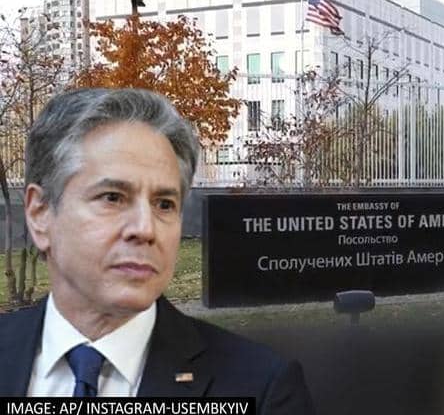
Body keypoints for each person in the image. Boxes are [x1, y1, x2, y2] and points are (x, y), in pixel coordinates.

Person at [0, 88, 315, 412]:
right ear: (39, 214)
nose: (145, 229)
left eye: (164, 204)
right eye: (112, 198)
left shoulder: (263, 389)